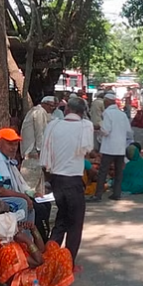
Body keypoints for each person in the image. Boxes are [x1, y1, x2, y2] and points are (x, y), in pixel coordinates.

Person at [40, 97, 94, 265]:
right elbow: (88, 150)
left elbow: (45, 157)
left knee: (61, 221)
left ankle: (50, 258)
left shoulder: (53, 125)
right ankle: (67, 264)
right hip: (74, 181)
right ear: (82, 112)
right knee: (75, 225)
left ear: (67, 109)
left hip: (57, 179)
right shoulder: (86, 126)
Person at [0, 208, 74, 286]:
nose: (19, 225)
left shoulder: (13, 240)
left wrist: (34, 230)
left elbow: (42, 250)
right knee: (63, 255)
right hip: (26, 283)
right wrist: (27, 241)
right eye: (16, 224)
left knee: (52, 246)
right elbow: (39, 261)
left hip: (32, 267)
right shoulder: (9, 249)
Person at [88, 94, 134, 202]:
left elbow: (106, 130)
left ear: (107, 102)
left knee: (103, 171)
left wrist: (100, 128)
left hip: (109, 148)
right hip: (120, 148)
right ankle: (116, 193)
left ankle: (98, 195)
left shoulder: (107, 113)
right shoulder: (122, 114)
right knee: (119, 172)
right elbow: (128, 131)